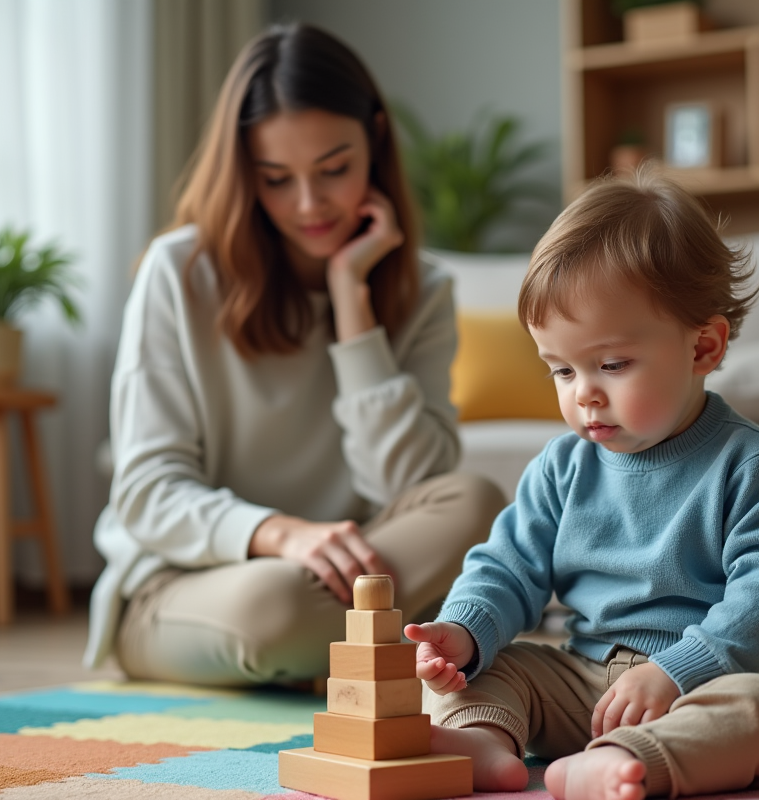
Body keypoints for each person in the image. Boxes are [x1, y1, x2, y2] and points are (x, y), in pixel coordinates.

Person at [82, 22, 506, 686]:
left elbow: (412, 489)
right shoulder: (178, 272)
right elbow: (146, 493)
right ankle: (389, 650)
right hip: (189, 587)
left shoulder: (423, 289)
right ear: (245, 173)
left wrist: (352, 308)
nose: (308, 205)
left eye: (334, 169)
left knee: (478, 503)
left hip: (341, 584)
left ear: (375, 137)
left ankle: (336, 655)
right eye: (276, 178)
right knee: (272, 605)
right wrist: (281, 535)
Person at [405, 169, 759, 800]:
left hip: (719, 679)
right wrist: (462, 634)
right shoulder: (562, 467)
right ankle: (486, 744)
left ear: (703, 347)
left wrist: (678, 671)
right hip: (587, 682)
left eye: (611, 365)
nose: (584, 394)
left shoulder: (754, 466)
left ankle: (635, 761)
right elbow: (506, 567)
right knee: (493, 672)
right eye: (561, 370)